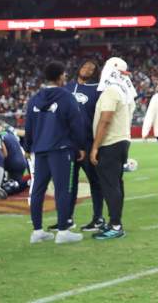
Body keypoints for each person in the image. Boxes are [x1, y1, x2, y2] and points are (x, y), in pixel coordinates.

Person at [24, 61, 87, 244]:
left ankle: (37, 231)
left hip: (40, 149)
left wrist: (28, 148)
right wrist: (80, 146)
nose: (65, 78)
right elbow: (76, 123)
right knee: (62, 190)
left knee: (38, 190)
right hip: (60, 149)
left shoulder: (34, 98)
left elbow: (29, 126)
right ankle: (63, 231)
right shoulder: (66, 97)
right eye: (64, 75)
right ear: (60, 77)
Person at [90, 57, 136, 240]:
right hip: (121, 141)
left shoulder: (111, 90)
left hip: (110, 143)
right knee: (116, 184)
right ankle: (114, 223)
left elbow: (106, 119)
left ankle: (116, 225)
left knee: (110, 186)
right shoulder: (123, 90)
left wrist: (95, 147)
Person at [64, 59, 106, 232]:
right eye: (85, 66)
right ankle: (67, 218)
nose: (87, 69)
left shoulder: (98, 89)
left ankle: (98, 218)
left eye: (92, 68)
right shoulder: (67, 88)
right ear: (78, 67)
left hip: (89, 142)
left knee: (95, 182)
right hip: (69, 144)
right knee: (69, 184)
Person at [1, 125, 29, 193]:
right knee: (20, 181)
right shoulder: (13, 137)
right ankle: (26, 182)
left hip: (13, 163)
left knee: (14, 186)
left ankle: (25, 183)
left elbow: (4, 153)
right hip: (23, 162)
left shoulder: (2, 136)